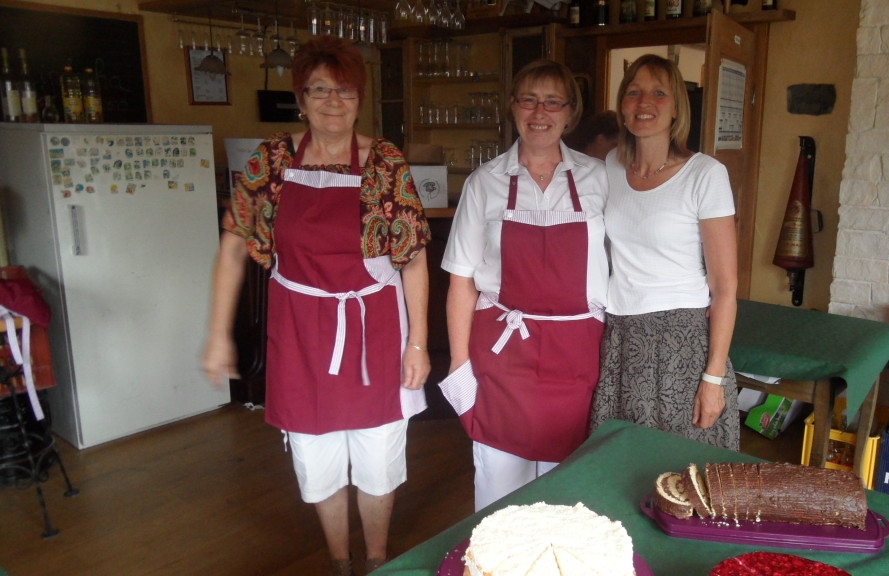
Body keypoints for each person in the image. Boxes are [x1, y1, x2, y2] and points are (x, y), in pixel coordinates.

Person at [202, 36, 431, 576]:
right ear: (300, 99)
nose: (333, 101)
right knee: (316, 455)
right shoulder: (273, 159)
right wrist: (217, 334)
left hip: (374, 325)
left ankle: (375, 558)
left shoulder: (384, 161)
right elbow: (234, 244)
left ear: (360, 97)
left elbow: (414, 258)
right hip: (299, 329)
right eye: (319, 90)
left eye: (345, 89)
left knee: (377, 456)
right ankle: (339, 561)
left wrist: (416, 342)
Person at [439, 59, 609, 511]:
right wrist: (459, 368)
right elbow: (460, 282)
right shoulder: (484, 183)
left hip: (577, 356)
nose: (540, 111)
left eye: (553, 101)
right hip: (503, 356)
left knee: (567, 494)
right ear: (512, 107)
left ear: (570, 112)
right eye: (529, 99)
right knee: (500, 491)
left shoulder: (600, 178)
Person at [589, 54, 740, 451]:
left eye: (659, 93)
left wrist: (713, 379)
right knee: (619, 462)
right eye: (634, 92)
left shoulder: (705, 174)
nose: (645, 104)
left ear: (676, 109)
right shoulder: (610, 168)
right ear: (621, 105)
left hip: (680, 343)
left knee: (681, 468)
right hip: (620, 334)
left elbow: (725, 288)